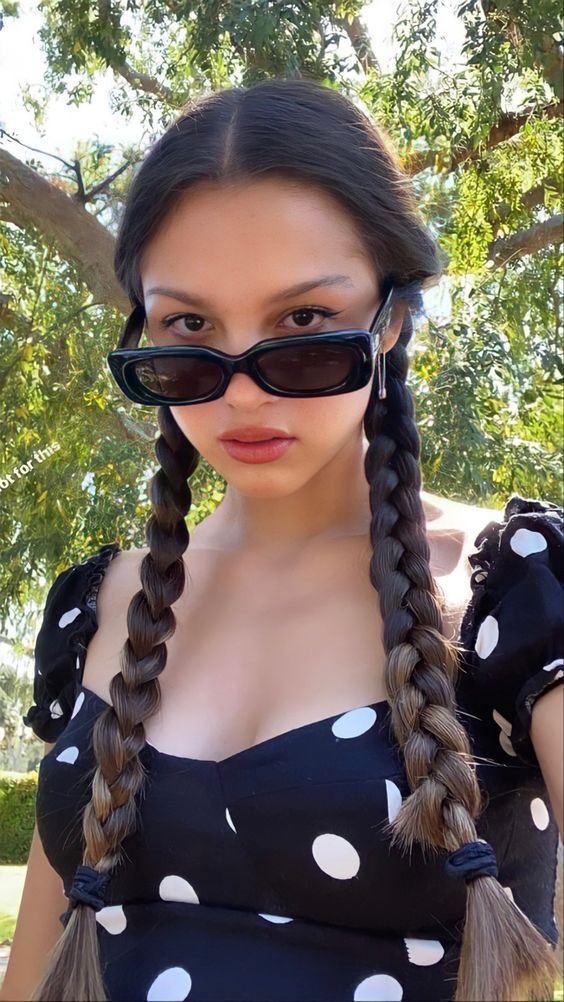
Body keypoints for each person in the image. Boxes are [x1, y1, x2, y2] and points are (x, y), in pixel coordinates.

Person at [6, 78, 563, 1002]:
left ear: (390, 317)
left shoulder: (514, 590)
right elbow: (38, 972)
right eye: (189, 327)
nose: (242, 393)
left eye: (303, 324)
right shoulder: (98, 609)